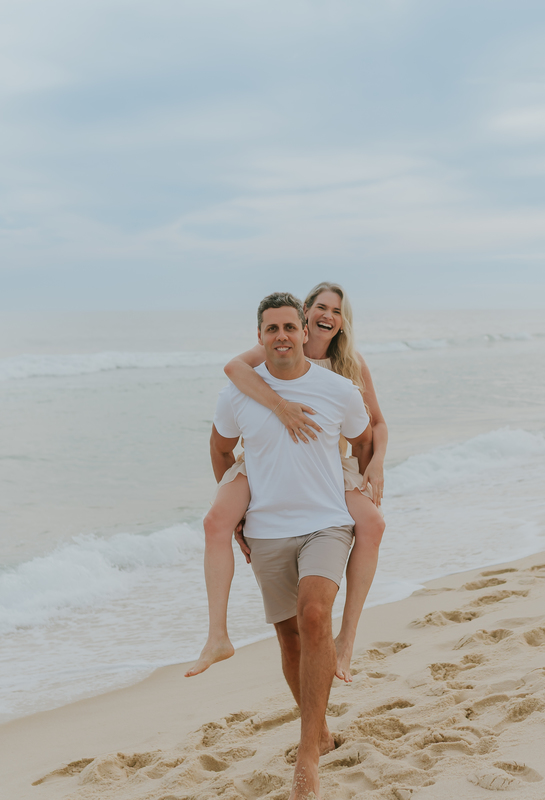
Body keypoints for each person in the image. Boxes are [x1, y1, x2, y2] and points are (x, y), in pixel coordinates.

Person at [207, 292, 373, 800]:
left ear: (305, 331)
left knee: (315, 615)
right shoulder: (238, 396)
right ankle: (319, 731)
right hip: (266, 530)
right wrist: (237, 519)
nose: (281, 336)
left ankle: (307, 759)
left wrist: (360, 486)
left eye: (288, 327)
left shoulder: (339, 389)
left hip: (325, 522)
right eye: (270, 329)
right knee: (290, 640)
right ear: (259, 338)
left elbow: (363, 441)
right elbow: (219, 448)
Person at [185, 282, 388, 682]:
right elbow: (232, 371)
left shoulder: (348, 367)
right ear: (306, 315)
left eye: (337, 310)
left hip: (326, 462)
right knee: (216, 521)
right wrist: (279, 407)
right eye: (321, 307)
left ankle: (347, 639)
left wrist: (376, 464)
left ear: (343, 322)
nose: (329, 314)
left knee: (374, 523)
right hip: (266, 456)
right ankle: (216, 637)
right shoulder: (275, 349)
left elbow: (373, 427)